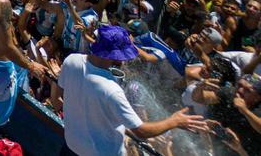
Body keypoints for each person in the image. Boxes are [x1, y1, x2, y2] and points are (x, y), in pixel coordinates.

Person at [58, 25, 210, 156]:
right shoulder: (112, 90)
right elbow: (141, 131)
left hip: (70, 146)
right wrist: (174, 121)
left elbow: (56, 99)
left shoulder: (72, 60)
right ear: (116, 56)